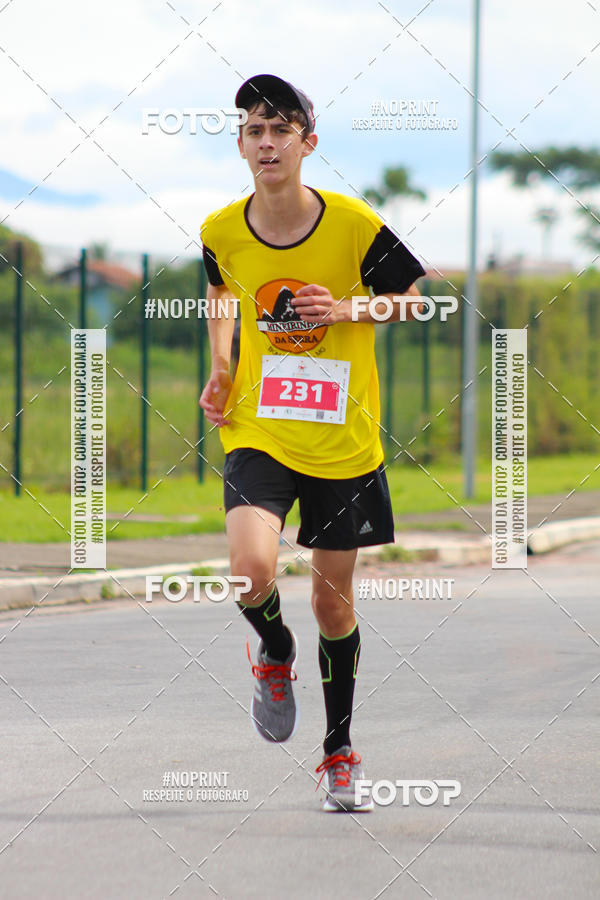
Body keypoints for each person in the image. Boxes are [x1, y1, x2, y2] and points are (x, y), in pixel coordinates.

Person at [199, 74, 425, 812]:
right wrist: (222, 366)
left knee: (333, 608)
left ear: (308, 143)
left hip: (342, 442)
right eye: (254, 130)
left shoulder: (353, 223)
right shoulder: (221, 230)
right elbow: (222, 293)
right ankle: (274, 650)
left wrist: (350, 308)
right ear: (241, 146)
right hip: (260, 428)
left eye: (281, 129)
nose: (267, 142)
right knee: (248, 571)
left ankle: (338, 753)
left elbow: (417, 302)